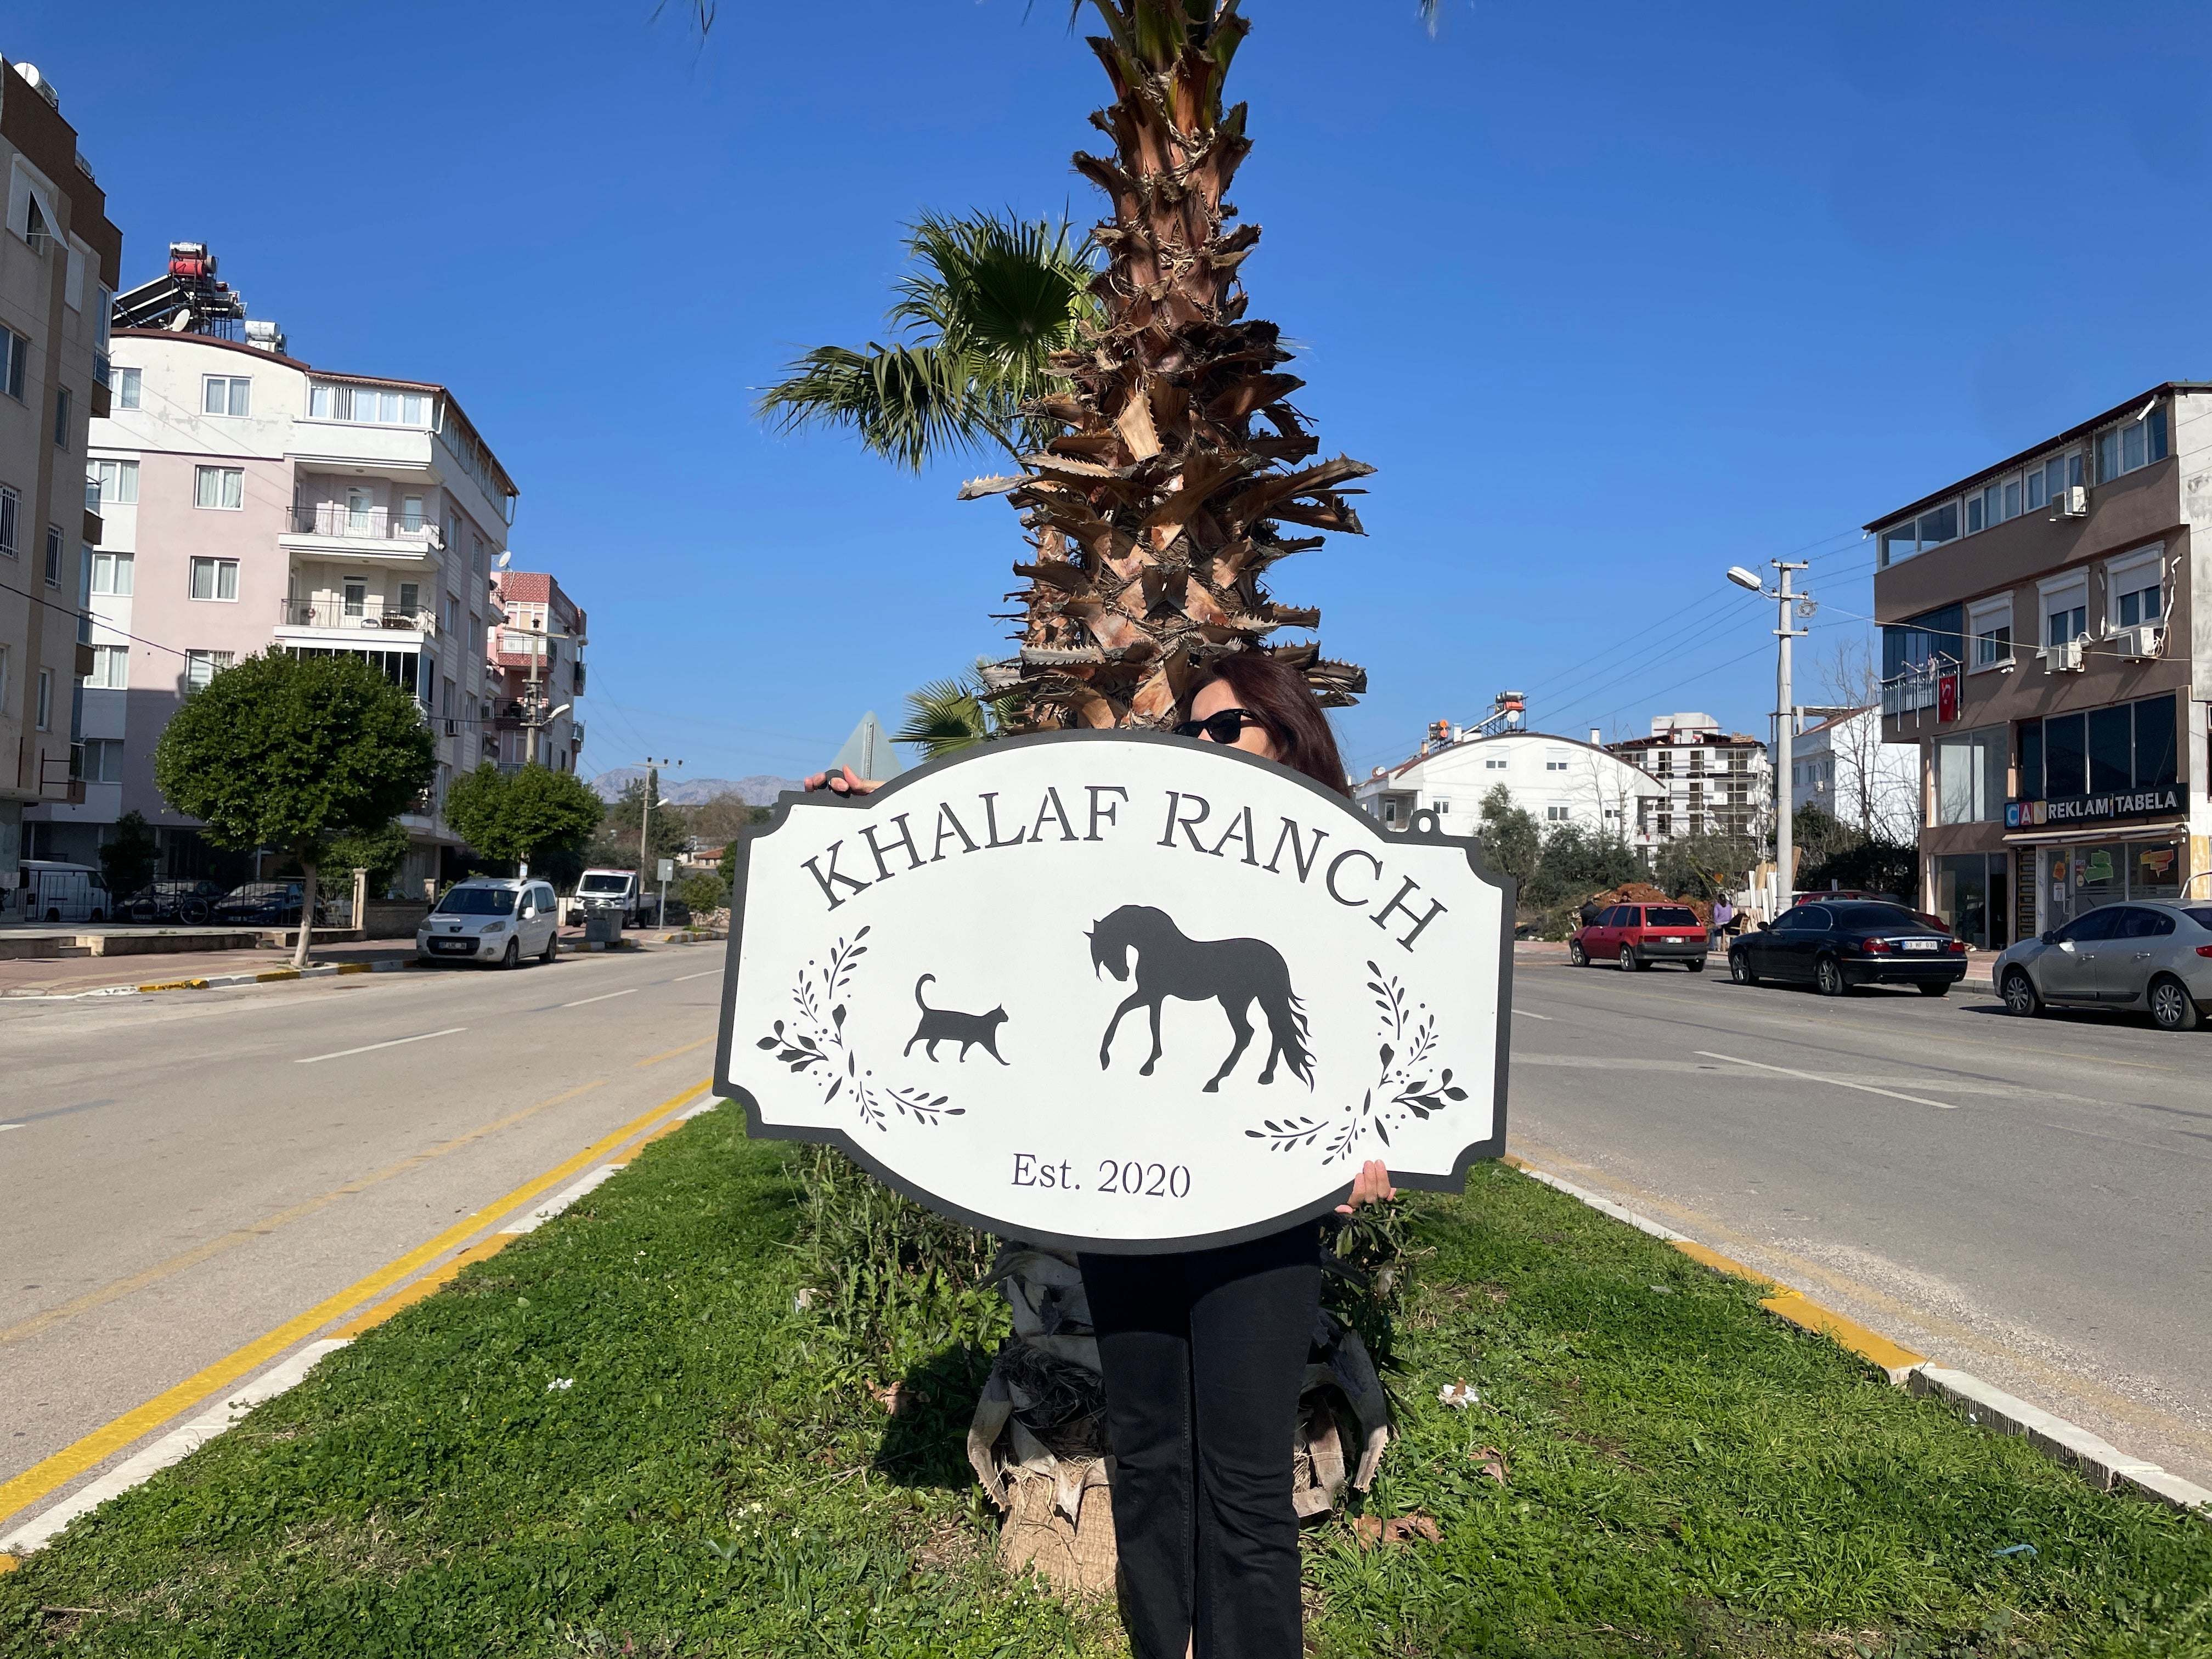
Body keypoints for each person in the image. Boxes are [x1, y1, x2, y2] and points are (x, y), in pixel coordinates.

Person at [806, 657, 1392, 1658]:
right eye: (1193, 734)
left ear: (1290, 734)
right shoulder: (1149, 867)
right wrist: (866, 820)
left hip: (1263, 1224)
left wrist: (1378, 1146)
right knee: (1151, 1461)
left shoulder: (1359, 876)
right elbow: (1003, 893)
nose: (1206, 748)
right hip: (1136, 1215)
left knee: (1248, 1483)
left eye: (1229, 728)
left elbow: (1396, 1038)